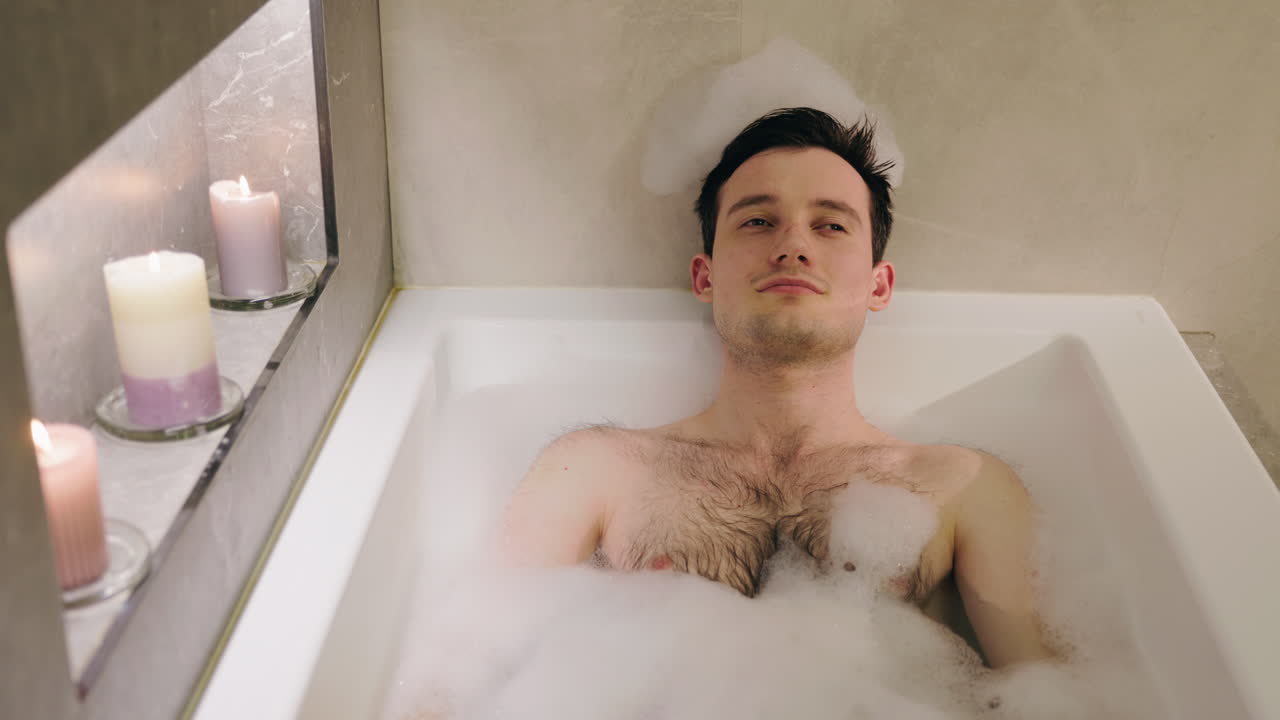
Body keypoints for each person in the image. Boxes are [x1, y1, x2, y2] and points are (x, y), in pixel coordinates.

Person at [499, 107, 1056, 669]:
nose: (793, 246)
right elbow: (474, 674)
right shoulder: (595, 470)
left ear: (878, 285)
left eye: (831, 225)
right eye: (758, 221)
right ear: (705, 276)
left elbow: (1045, 695)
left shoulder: (963, 487)